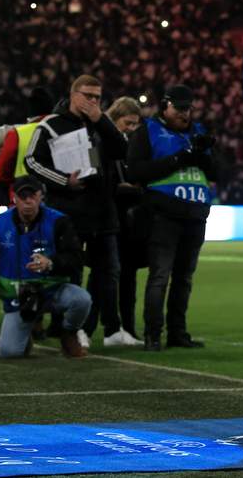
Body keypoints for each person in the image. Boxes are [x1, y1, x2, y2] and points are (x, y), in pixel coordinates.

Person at [24, 75, 137, 346]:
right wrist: (64, 181)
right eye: (88, 96)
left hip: (103, 211)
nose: (93, 101)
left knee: (109, 272)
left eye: (97, 97)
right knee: (71, 271)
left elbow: (123, 150)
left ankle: (108, 330)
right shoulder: (51, 125)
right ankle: (69, 329)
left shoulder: (101, 124)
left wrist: (102, 121)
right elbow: (32, 161)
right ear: (73, 94)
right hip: (69, 211)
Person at [127, 84, 217, 351]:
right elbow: (136, 171)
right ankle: (153, 335)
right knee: (160, 276)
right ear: (164, 106)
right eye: (179, 108)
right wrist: (182, 157)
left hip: (195, 216)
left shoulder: (199, 133)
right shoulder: (147, 131)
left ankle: (177, 333)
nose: (184, 113)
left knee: (184, 278)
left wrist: (202, 155)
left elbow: (217, 172)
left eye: (188, 108)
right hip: (162, 216)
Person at [0, 175, 92, 358]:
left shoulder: (59, 222)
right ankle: (26, 334)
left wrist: (51, 262)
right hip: (19, 296)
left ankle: (69, 333)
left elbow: (77, 257)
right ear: (14, 198)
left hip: (51, 291)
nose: (28, 201)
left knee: (82, 300)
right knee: (9, 353)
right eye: (23, 196)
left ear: (41, 197)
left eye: (32, 196)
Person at [101, 97, 146, 342]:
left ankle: (126, 328)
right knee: (106, 276)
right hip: (108, 220)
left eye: (134, 124)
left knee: (128, 276)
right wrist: (128, 189)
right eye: (127, 123)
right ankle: (108, 328)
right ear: (114, 118)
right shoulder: (102, 143)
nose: (131, 128)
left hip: (128, 223)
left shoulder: (130, 147)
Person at [0, 87, 55, 200]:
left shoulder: (17, 133)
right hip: (58, 197)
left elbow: (0, 172)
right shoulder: (62, 130)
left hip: (23, 197)